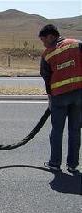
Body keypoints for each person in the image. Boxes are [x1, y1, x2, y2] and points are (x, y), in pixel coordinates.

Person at [39, 24, 82, 173]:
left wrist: (50, 100)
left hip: (59, 98)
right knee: (75, 130)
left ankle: (55, 163)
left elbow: (46, 78)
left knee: (57, 130)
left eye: (43, 40)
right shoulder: (77, 44)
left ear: (51, 36)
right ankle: (73, 164)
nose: (43, 44)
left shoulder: (47, 55)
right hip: (78, 96)